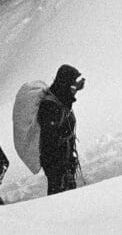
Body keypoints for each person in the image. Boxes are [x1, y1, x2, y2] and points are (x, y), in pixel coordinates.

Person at [38, 64, 84, 195]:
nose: (74, 84)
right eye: (73, 82)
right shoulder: (49, 105)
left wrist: (75, 90)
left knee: (65, 191)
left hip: (61, 158)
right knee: (59, 193)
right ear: (66, 82)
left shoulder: (58, 97)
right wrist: (63, 161)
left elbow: (65, 99)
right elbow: (51, 136)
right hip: (55, 161)